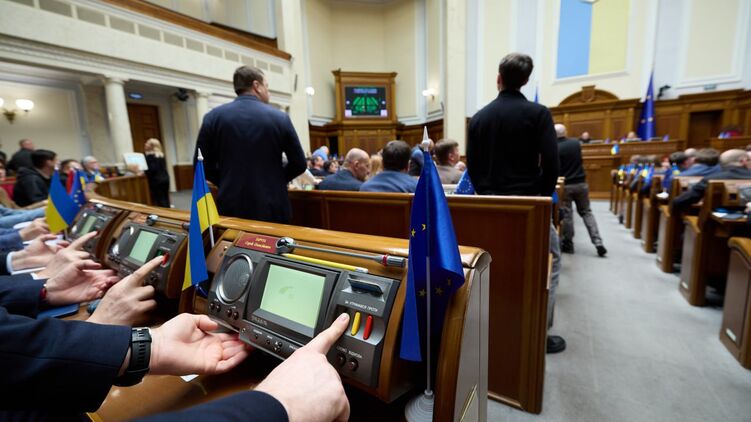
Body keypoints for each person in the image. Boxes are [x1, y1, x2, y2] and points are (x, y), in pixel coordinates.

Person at [466, 53, 564, 354]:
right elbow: (552, 162)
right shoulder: (538, 114)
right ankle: (539, 333)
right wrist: (541, 198)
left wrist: (486, 193)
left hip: (489, 207)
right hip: (528, 206)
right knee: (547, 264)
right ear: (526, 80)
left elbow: (473, 166)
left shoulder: (479, 117)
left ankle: (487, 328)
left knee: (491, 267)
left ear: (499, 78)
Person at [196, 66, 306, 223]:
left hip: (231, 205)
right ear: (257, 86)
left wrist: (227, 180)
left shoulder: (212, 117)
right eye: (267, 86)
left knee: (234, 240)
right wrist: (276, 180)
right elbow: (299, 163)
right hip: (273, 205)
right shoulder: (279, 118)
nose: (268, 92)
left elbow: (201, 165)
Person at [555, 124, 607, 257]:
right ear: (565, 132)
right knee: (587, 212)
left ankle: (568, 244)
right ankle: (598, 242)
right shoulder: (575, 143)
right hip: (581, 183)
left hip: (566, 185)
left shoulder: (555, 147)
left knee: (567, 214)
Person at [672, 149, 751, 212]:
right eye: (749, 160)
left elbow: (681, 201)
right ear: (743, 161)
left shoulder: (712, 179)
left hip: (718, 224)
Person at [144, 138, 171, 208]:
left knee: (159, 200)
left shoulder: (150, 156)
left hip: (156, 180)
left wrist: (144, 171)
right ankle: (168, 211)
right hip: (165, 178)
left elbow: (152, 169)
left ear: (152, 146)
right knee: (165, 198)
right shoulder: (161, 155)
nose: (145, 144)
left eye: (147, 143)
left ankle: (163, 213)